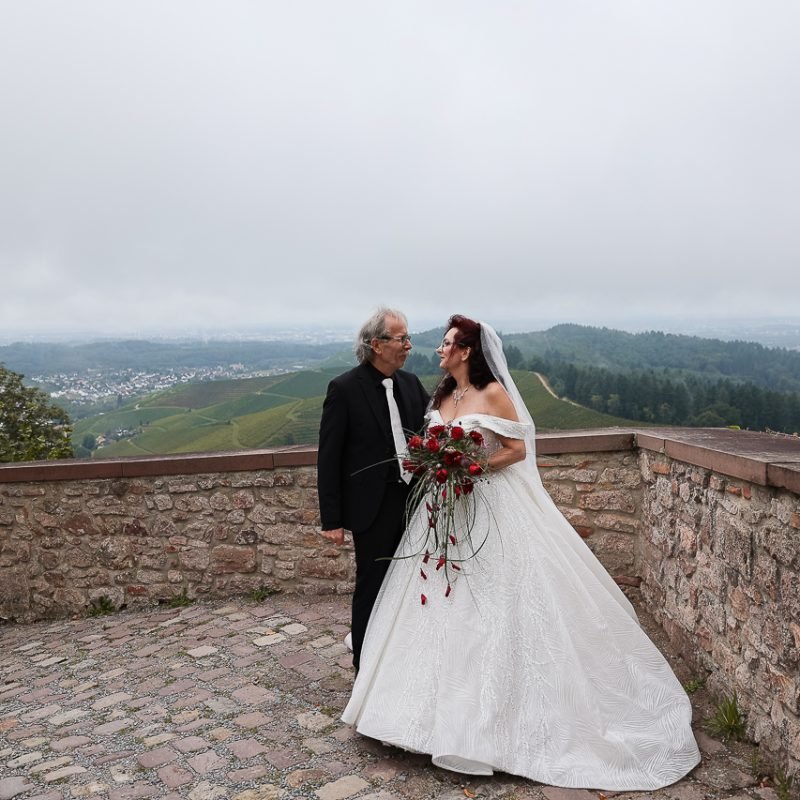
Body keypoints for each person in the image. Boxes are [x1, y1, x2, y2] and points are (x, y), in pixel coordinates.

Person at [341, 315, 701, 790]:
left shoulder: (493, 394)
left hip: (487, 503)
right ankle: (411, 714)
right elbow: (427, 442)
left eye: (447, 344)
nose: (438, 351)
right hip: (442, 509)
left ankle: (492, 722)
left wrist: (472, 464)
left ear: (467, 351)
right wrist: (433, 460)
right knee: (437, 601)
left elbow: (516, 448)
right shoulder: (442, 395)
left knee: (494, 603)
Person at [317, 307, 429, 672]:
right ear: (377, 344)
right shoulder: (345, 389)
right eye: (401, 339)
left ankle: (404, 658)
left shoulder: (412, 385)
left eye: (408, 337)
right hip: (372, 509)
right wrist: (331, 519)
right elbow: (329, 458)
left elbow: (429, 436)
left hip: (414, 503)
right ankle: (365, 666)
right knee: (373, 586)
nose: (409, 345)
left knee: (412, 584)